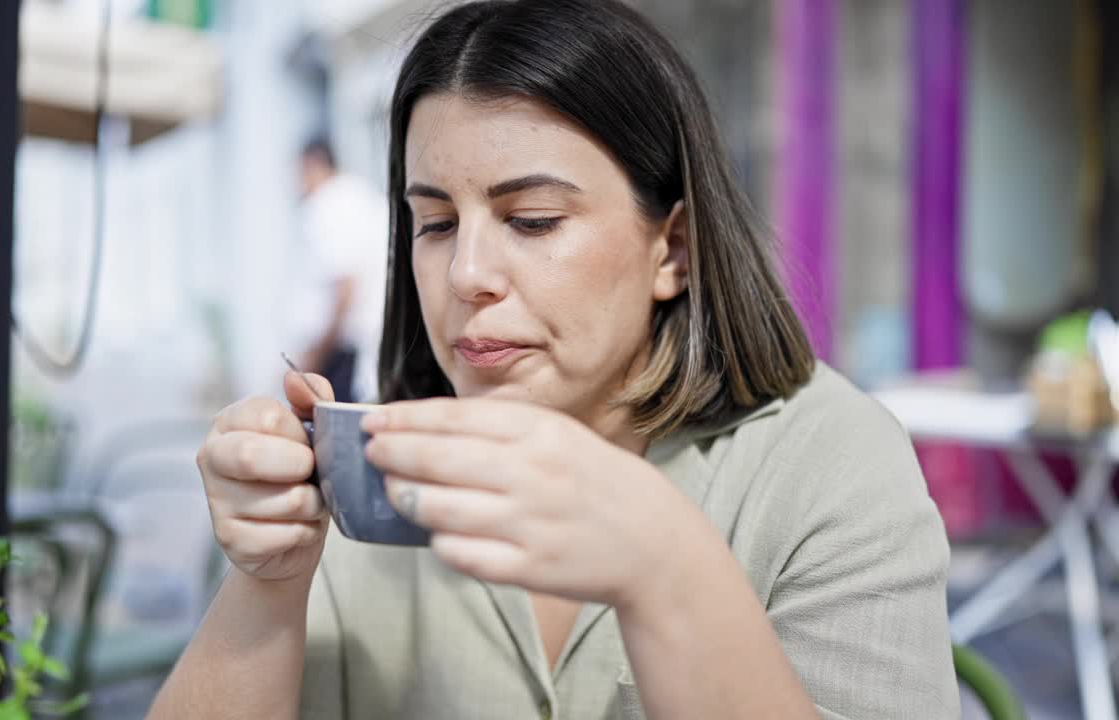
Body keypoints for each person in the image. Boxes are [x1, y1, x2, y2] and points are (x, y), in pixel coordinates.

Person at [150, 1, 959, 717]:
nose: (467, 274)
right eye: (435, 224)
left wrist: (666, 572)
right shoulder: (375, 477)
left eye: (532, 220)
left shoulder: (827, 463)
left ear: (672, 247)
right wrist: (270, 580)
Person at [294, 136, 387, 402]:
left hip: (347, 351)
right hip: (369, 347)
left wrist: (315, 356)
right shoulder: (360, 195)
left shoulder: (329, 203)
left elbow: (345, 288)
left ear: (314, 164)